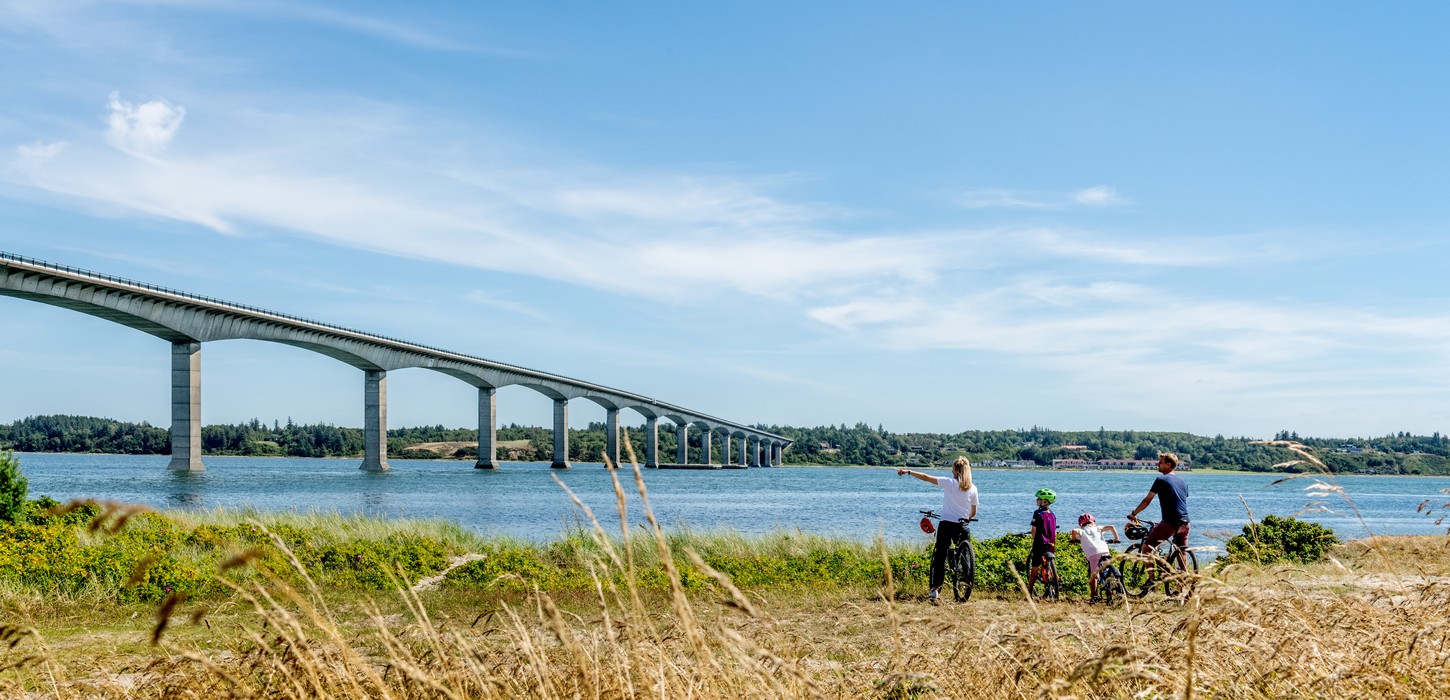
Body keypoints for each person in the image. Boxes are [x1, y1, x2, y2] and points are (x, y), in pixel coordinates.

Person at [897, 456, 978, 604]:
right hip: (963, 525)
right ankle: (966, 582)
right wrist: (966, 517)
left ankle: (935, 589)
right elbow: (974, 511)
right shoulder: (973, 488)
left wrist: (909, 471)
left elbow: (927, 477)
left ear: (955, 470)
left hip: (947, 524)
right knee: (965, 556)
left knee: (940, 556)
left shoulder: (949, 483)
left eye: (952, 468)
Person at [1128, 452, 1190, 551]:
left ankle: (1154, 567)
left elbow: (1146, 501)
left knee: (1146, 548)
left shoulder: (1161, 479)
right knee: (1181, 552)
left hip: (1170, 523)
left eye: (1160, 462)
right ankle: (1182, 567)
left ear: (1168, 465)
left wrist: (1134, 513)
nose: (1158, 464)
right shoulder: (1182, 481)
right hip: (1185, 522)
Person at [1069, 513, 1121, 601]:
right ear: (1093, 521)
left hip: (1093, 554)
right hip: (1105, 551)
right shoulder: (1098, 528)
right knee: (1107, 568)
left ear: (1081, 524)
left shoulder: (1083, 530)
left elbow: (1074, 531)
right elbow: (1111, 527)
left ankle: (1093, 597)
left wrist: (1073, 539)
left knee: (1094, 576)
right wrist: (1116, 538)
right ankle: (1113, 586)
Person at [1025, 488, 1057, 593]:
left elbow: (1034, 531)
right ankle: (1051, 585)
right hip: (1051, 544)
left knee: (1034, 568)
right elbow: (1055, 532)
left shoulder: (1037, 513)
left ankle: (1029, 590)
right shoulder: (1052, 515)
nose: (1036, 500)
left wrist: (1034, 538)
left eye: (1038, 499)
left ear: (1044, 501)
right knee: (1048, 566)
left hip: (1040, 543)